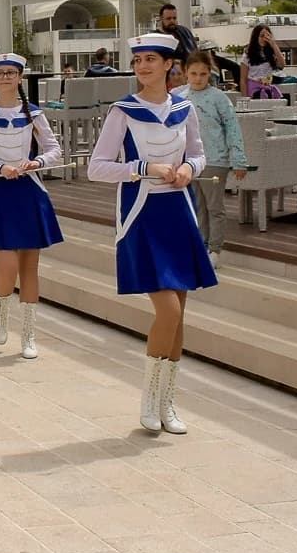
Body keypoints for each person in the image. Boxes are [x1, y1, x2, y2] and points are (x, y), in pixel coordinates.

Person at [87, 33, 218, 434]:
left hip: (180, 215)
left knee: (180, 317)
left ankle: (168, 405)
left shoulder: (184, 107)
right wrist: (145, 168)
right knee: (169, 312)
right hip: (141, 216)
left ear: (168, 65)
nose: (142, 66)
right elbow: (97, 167)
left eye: (150, 59)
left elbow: (198, 153)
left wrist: (188, 170)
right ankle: (148, 399)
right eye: (138, 59)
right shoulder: (122, 111)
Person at [0, 53, 63, 358]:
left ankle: (28, 335)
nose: (6, 77)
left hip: (29, 192)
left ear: (20, 78)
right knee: (6, 267)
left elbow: (54, 149)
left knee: (30, 267)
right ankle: (2, 311)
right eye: (0, 73)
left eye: (11, 73)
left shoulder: (33, 113)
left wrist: (38, 162)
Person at [181, 51, 247, 255]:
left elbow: (232, 128)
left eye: (202, 74)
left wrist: (239, 160)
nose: (198, 78)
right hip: (189, 162)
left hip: (215, 160)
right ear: (186, 73)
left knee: (214, 207)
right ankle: (201, 247)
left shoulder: (219, 98)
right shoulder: (178, 97)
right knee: (196, 206)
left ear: (210, 73)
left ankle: (215, 250)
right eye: (193, 74)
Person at [243, 23, 285, 100]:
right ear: (256, 37)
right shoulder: (248, 54)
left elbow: (281, 65)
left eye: (267, 36)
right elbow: (243, 79)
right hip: (253, 90)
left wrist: (274, 45)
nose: (264, 39)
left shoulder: (271, 53)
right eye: (262, 36)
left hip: (267, 87)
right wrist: (245, 98)